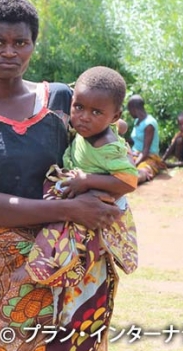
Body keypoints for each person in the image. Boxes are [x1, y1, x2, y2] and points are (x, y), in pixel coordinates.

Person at [0, 0, 120, 351]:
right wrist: (69, 209)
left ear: (33, 45)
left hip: (77, 257)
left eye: (21, 42)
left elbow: (109, 152)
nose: (9, 52)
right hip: (8, 268)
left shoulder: (63, 101)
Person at [26, 66, 138, 293]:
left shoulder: (105, 145)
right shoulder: (94, 129)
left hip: (101, 200)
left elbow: (129, 181)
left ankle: (37, 270)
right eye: (78, 107)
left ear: (114, 115)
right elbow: (120, 126)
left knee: (59, 230)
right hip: (87, 193)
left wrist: (87, 180)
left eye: (96, 112)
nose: (84, 117)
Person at [127, 94, 165, 183]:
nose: (129, 113)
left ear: (134, 109)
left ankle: (131, 179)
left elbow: (145, 151)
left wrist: (133, 165)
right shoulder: (137, 121)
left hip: (148, 157)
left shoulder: (149, 124)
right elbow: (135, 139)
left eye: (129, 110)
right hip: (134, 154)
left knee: (142, 171)